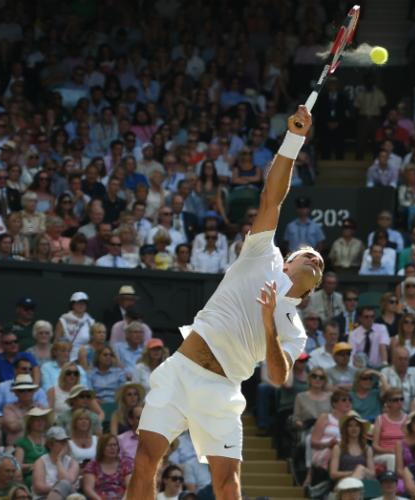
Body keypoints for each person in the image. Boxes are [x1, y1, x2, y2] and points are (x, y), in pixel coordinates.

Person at [127, 105, 322, 499]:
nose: (315, 257)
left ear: (311, 289)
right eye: (308, 254)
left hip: (222, 391)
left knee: (227, 484)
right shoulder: (261, 254)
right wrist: (294, 138)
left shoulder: (294, 328)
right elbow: (272, 196)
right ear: (289, 261)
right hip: (181, 370)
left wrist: (269, 320)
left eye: (319, 262)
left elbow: (280, 376)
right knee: (147, 459)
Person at [81, 433, 133, 500]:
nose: (113, 448)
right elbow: (88, 489)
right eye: (109, 445)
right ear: (101, 448)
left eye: (115, 445)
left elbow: (130, 487)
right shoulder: (92, 465)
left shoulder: (125, 464)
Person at [31, 426, 79, 499]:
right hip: (44, 497)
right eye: (60, 441)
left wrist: (59, 460)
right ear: (50, 444)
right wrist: (59, 488)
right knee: (64, 484)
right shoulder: (40, 462)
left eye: (65, 441)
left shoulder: (72, 462)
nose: (64, 444)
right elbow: (38, 488)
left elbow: (68, 481)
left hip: (67, 498)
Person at [329, 413, 375, 482]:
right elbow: (333, 474)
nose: (354, 428)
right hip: (343, 484)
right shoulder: (338, 447)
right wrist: (355, 472)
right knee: (360, 469)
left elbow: (372, 473)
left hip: (362, 484)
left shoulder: (367, 449)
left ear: (361, 428)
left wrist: (361, 470)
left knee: (361, 468)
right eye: (350, 426)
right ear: (346, 429)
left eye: (357, 425)